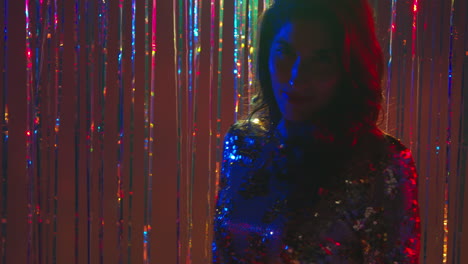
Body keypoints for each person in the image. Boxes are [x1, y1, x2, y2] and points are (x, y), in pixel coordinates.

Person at [212, 0, 420, 263]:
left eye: (320, 59)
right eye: (285, 52)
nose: (297, 76)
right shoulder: (244, 144)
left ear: (348, 67)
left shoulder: (382, 164)